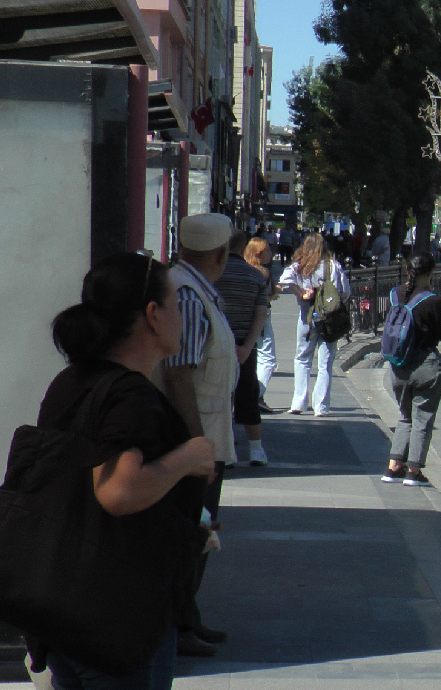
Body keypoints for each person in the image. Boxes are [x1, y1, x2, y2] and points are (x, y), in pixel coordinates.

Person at [28, 252, 215, 689]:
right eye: (174, 304)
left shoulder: (74, 381)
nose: (181, 317)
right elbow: (118, 492)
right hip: (118, 618)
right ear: (153, 315)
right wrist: (189, 457)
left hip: (67, 606)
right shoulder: (127, 394)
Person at [161, 212, 239, 657]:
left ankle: (188, 617)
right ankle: (179, 624)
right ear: (220, 254)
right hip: (198, 434)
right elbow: (179, 374)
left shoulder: (188, 286)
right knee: (196, 530)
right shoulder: (188, 295)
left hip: (206, 432)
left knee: (201, 527)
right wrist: (197, 444)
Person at [381, 253, 441, 487]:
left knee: (405, 416)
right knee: (423, 419)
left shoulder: (395, 295)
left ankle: (393, 466)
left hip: (398, 365)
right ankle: (414, 471)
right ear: (430, 273)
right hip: (425, 365)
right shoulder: (431, 300)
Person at [213, 231, 271, 467]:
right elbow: (261, 314)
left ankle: (226, 451)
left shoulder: (214, 275)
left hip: (216, 343)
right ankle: (256, 450)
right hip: (244, 344)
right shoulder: (255, 276)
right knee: (248, 395)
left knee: (221, 398)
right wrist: (248, 346)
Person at [278, 232, 351, 416]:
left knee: (302, 358)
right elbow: (345, 291)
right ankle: (321, 406)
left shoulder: (300, 266)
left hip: (306, 316)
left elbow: (283, 281)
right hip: (329, 319)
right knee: (325, 362)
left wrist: (300, 292)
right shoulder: (332, 266)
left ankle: (298, 402)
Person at [245, 237, 279, 412]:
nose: (271, 254)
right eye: (268, 251)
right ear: (259, 253)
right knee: (268, 357)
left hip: (243, 317)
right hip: (262, 315)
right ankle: (256, 394)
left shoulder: (244, 269)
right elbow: (268, 295)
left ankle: (250, 393)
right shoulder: (263, 273)